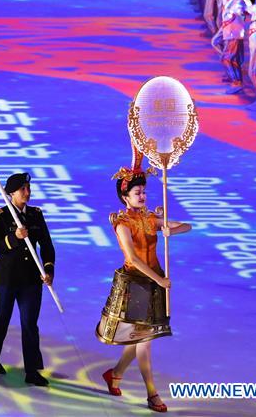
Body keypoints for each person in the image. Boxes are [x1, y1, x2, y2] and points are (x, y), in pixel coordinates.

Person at [97, 149, 191, 414]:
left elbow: (187, 226)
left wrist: (169, 228)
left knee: (140, 338)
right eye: (137, 193)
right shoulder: (122, 223)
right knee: (144, 340)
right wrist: (160, 280)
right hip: (138, 284)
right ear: (125, 197)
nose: (142, 195)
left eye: (143, 192)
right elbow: (134, 260)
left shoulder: (150, 218)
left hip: (155, 281)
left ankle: (115, 374)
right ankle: (152, 393)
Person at [0, 172, 55, 387]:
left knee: (29, 324)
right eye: (22, 189)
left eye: (28, 188)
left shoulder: (35, 215)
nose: (27, 193)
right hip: (6, 278)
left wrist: (48, 270)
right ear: (11, 193)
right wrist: (15, 237)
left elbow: (48, 246)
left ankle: (32, 370)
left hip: (31, 279)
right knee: (1, 317)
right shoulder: (0, 216)